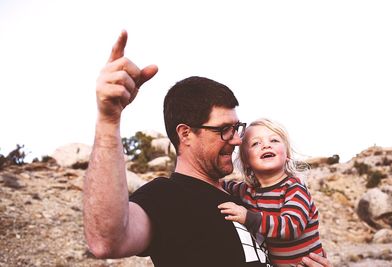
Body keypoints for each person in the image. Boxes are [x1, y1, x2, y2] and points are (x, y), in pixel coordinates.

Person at [83, 30, 332, 267]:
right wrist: (108, 121)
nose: (236, 140)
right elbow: (106, 241)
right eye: (224, 129)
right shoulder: (167, 196)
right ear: (186, 134)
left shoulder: (244, 197)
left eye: (237, 128)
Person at [218, 118, 324, 266]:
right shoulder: (246, 190)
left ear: (287, 154)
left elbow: (291, 226)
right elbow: (218, 185)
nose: (266, 145)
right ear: (246, 161)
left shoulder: (294, 188)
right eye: (256, 143)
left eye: (274, 140)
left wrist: (248, 217)